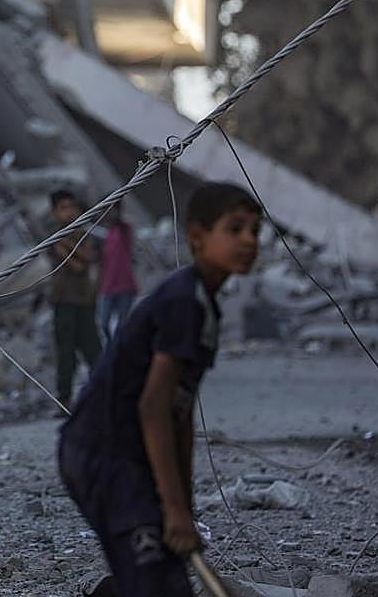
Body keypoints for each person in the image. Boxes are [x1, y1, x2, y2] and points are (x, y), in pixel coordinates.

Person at [57, 182, 261, 597]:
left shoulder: (206, 307)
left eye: (255, 232)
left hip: (128, 458)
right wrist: (171, 508)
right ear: (199, 237)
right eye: (235, 228)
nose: (248, 241)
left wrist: (183, 507)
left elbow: (180, 413)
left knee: (162, 576)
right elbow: (154, 406)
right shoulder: (183, 301)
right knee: (155, 581)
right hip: (104, 455)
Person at [48, 189, 102, 411]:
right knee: (65, 353)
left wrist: (69, 246)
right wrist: (71, 248)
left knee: (94, 350)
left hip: (85, 300)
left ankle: (104, 392)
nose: (68, 212)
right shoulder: (54, 236)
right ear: (54, 213)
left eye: (71, 207)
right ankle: (64, 399)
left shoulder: (82, 234)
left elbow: (85, 260)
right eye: (63, 208)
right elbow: (76, 263)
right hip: (63, 300)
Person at [97, 202, 139, 343]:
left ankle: (118, 353)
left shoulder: (124, 229)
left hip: (125, 285)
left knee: (122, 326)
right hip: (108, 285)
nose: (110, 213)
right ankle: (112, 348)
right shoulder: (102, 233)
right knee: (103, 323)